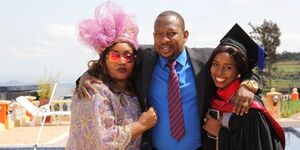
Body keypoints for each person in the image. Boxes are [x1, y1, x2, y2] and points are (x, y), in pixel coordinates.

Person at [77, 11, 262, 150]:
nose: (163, 40)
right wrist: (86, 76)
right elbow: (112, 61)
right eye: (158, 34)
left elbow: (242, 65)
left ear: (185, 35)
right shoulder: (143, 58)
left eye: (171, 33)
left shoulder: (206, 60)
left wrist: (248, 85)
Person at [66, 2, 157, 150]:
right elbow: (103, 141)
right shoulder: (94, 92)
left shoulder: (131, 89)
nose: (122, 60)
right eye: (115, 56)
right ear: (104, 60)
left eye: (128, 56)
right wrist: (141, 125)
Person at [202, 24, 285, 150]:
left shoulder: (248, 106)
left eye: (228, 67)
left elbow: (258, 145)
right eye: (215, 64)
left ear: (239, 71)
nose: (219, 73)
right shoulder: (215, 96)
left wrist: (219, 133)